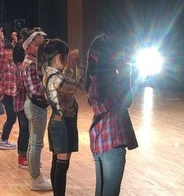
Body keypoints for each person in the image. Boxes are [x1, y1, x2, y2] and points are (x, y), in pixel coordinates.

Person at [85, 33, 138, 196]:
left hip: (99, 138)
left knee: (101, 189)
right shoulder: (110, 80)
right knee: (110, 192)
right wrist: (125, 74)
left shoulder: (93, 79)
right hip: (112, 141)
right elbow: (126, 101)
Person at [40, 39, 81, 196]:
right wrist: (78, 65)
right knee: (62, 167)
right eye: (66, 56)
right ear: (59, 57)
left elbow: (68, 79)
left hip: (58, 121)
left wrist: (70, 64)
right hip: (63, 123)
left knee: (57, 164)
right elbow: (78, 85)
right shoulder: (56, 78)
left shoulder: (49, 72)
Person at [20, 29, 53, 191]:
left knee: (33, 142)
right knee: (36, 143)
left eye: (41, 44)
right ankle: (36, 179)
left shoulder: (32, 61)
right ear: (27, 47)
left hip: (33, 105)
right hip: (35, 106)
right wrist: (51, 92)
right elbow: (35, 90)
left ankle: (35, 176)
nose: (40, 47)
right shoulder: (31, 63)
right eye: (36, 45)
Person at [0, 28, 18, 150]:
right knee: (11, 118)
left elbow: (19, 51)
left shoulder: (14, 61)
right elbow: (1, 54)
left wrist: (15, 40)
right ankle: (3, 141)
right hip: (6, 94)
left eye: (10, 50)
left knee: (12, 118)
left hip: (13, 94)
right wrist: (2, 39)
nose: (9, 53)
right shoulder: (3, 62)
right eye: (7, 50)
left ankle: (4, 140)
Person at [13, 27, 31, 169]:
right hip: (21, 103)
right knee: (24, 130)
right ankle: (22, 157)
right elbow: (21, 85)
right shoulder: (20, 67)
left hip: (23, 103)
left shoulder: (22, 66)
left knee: (27, 131)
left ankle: (27, 156)